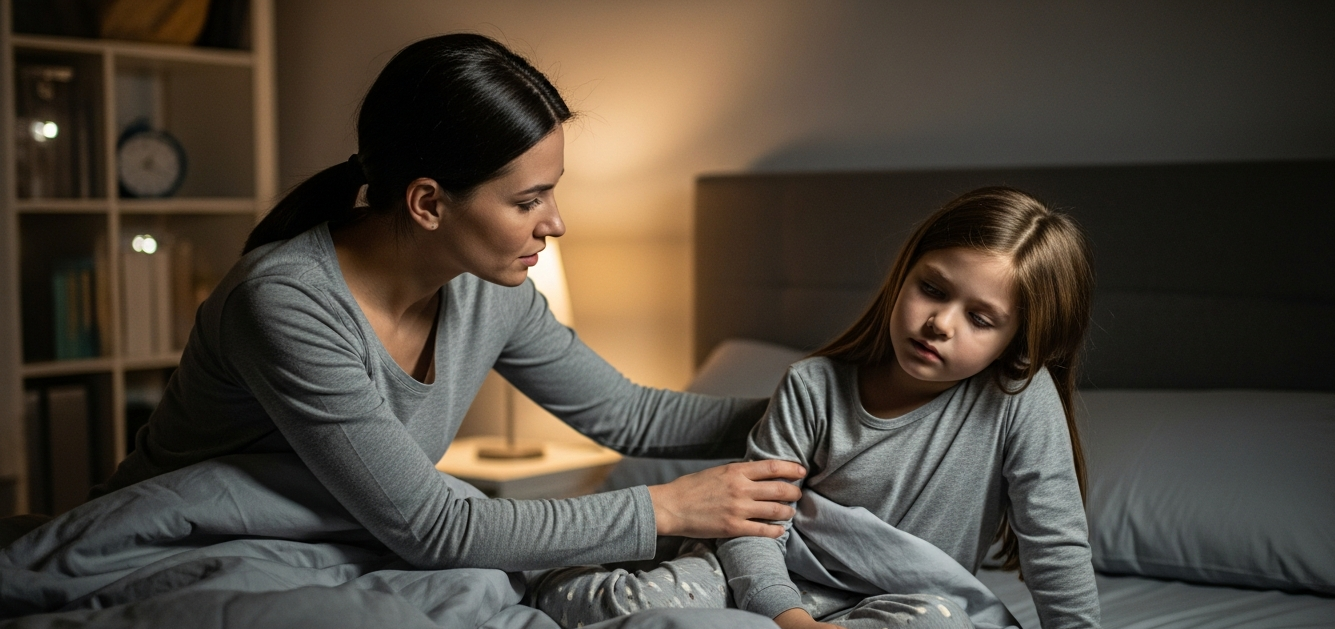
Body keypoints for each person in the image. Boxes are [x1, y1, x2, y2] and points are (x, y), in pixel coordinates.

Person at [91, 33, 805, 573]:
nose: (555, 224)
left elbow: (631, 415)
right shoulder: (286, 303)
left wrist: (822, 407)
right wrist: (669, 507)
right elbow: (435, 529)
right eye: (527, 201)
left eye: (552, 193)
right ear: (429, 203)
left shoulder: (491, 288)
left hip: (322, 551)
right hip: (177, 549)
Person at [535, 187, 1194, 629]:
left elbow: (1055, 543)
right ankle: (557, 580)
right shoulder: (812, 386)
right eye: (932, 289)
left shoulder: (1019, 399)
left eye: (980, 318)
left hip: (892, 608)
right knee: (639, 609)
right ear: (904, 274)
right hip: (767, 580)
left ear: (1016, 340)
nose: (940, 323)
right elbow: (753, 526)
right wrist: (790, 622)